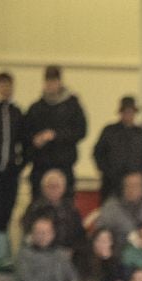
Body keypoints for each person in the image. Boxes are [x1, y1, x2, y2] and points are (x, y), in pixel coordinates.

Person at [21, 65, 85, 194]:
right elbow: (25, 134)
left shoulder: (72, 106)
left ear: (60, 82)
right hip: (40, 167)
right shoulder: (35, 108)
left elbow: (81, 131)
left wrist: (56, 135)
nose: (51, 85)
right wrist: (35, 140)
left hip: (64, 165)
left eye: (54, 81)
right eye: (48, 81)